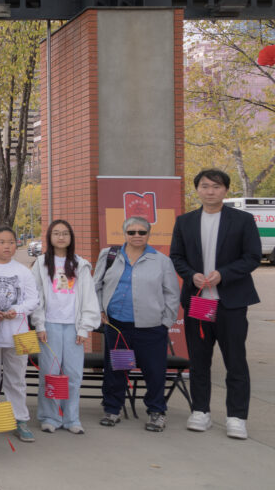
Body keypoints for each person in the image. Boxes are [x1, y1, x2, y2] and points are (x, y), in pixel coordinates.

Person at [170, 168, 261, 439]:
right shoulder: (185, 221)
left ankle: (237, 417)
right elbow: (176, 257)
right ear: (197, 189)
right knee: (199, 360)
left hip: (230, 303)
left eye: (216, 186)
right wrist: (191, 275)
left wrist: (224, 274)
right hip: (199, 302)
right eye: (205, 186)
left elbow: (252, 257)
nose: (210, 191)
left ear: (226, 190)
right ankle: (200, 411)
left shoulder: (243, 220)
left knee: (235, 361)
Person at [94, 216, 179, 432]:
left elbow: (171, 294)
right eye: (132, 232)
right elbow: (97, 286)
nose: (137, 236)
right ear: (124, 234)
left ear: (149, 234)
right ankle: (112, 409)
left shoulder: (161, 261)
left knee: (154, 372)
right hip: (117, 327)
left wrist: (165, 322)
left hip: (151, 329)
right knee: (117, 369)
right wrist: (100, 310)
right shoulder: (110, 255)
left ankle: (156, 412)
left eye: (142, 232)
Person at [30, 220, 100, 434]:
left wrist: (84, 327)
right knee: (50, 373)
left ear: (71, 237)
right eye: (56, 233)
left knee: (73, 374)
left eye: (65, 233)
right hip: (49, 326)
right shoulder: (41, 263)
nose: (61, 237)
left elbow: (89, 297)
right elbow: (35, 295)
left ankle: (71, 418)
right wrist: (39, 324)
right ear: (49, 237)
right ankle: (50, 417)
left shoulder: (80, 264)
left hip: (73, 327)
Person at [0, 225, 39, 443]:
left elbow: (33, 300)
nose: (7, 246)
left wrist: (16, 311)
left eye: (11, 242)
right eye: (1, 242)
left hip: (18, 334)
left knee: (17, 379)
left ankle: (20, 419)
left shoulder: (23, 271)